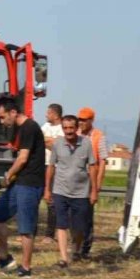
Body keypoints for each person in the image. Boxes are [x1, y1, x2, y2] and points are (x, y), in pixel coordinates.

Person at [0, 97, 46, 278]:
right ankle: (4, 257)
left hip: (30, 183)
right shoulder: (18, 129)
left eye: (2, 116)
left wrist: (8, 175)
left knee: (25, 227)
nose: (1, 121)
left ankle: (26, 268)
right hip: (18, 183)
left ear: (13, 112)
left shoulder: (29, 127)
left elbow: (22, 159)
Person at [43, 114, 97, 268]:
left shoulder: (86, 143)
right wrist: (47, 189)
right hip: (60, 190)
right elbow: (51, 166)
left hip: (81, 192)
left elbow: (92, 166)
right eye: (65, 128)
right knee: (61, 225)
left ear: (77, 128)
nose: (68, 131)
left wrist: (94, 190)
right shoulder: (58, 144)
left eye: (71, 128)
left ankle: (76, 249)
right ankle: (63, 258)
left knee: (79, 227)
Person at [77, 106, 108, 258]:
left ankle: (85, 248)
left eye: (84, 120)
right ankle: (76, 245)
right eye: (80, 119)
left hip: (90, 180)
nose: (81, 122)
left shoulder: (98, 136)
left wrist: (98, 183)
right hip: (76, 180)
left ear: (91, 120)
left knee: (87, 215)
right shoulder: (75, 134)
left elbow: (102, 161)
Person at [39, 103, 65, 244]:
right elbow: (39, 139)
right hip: (42, 165)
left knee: (51, 201)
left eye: (48, 113)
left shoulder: (63, 129)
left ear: (55, 115)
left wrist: (48, 141)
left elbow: (58, 145)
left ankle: (49, 234)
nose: (46, 115)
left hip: (55, 167)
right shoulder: (45, 126)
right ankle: (30, 232)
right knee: (36, 197)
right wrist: (50, 141)